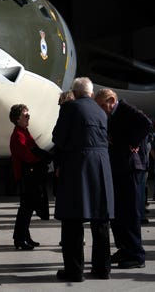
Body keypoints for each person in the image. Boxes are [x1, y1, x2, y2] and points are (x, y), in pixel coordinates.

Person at [53, 77, 114, 281]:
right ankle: (102, 268)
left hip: (79, 166)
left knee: (72, 221)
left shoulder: (70, 108)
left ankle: (74, 271)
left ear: (76, 92)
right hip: (102, 166)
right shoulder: (101, 111)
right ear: (91, 92)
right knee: (101, 222)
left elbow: (58, 138)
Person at [95, 88, 151, 270]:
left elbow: (146, 124)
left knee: (129, 212)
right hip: (119, 167)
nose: (102, 109)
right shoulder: (114, 114)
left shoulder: (126, 109)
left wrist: (132, 143)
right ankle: (125, 248)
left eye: (103, 105)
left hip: (129, 168)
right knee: (119, 212)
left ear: (112, 100)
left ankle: (136, 254)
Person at [8, 104, 50, 250]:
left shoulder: (23, 132)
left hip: (29, 175)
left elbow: (33, 149)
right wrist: (43, 159)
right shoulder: (19, 135)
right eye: (25, 115)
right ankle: (20, 238)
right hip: (26, 177)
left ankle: (23, 237)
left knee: (26, 208)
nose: (28, 117)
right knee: (26, 209)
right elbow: (28, 156)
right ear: (17, 119)